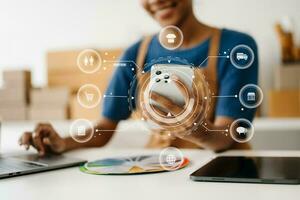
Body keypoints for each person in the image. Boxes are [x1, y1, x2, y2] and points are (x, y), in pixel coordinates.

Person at [19, 0, 258, 156]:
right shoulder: (136, 54)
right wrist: (63, 142)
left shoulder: (236, 46)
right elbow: (104, 129)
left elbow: (226, 138)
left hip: (222, 174)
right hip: (162, 173)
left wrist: (199, 131)